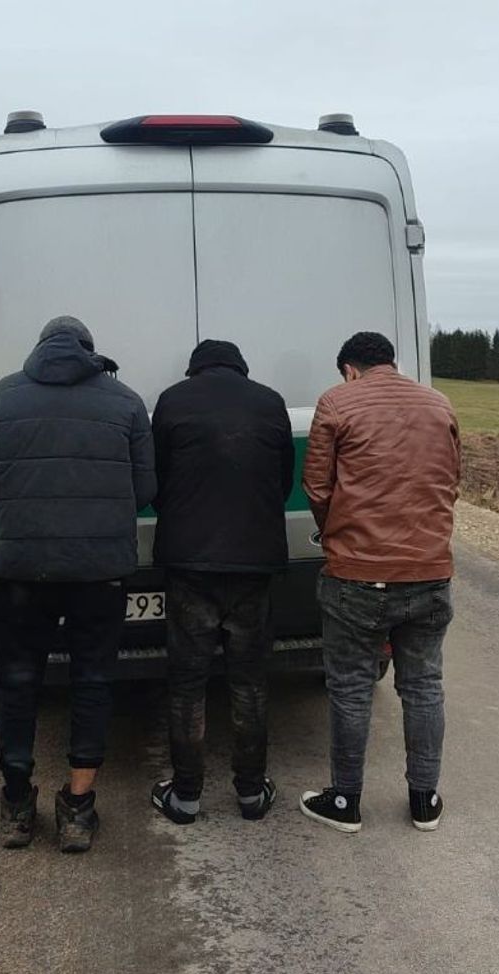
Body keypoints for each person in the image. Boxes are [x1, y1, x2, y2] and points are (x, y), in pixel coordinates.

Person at [0, 315, 155, 853]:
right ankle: (77, 809)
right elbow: (145, 490)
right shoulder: (126, 401)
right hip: (98, 571)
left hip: (21, 570)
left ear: (40, 349)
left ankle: (16, 806)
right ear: (90, 352)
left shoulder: (3, 397)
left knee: (17, 682)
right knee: (93, 681)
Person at [299, 331, 461, 834]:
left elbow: (317, 487)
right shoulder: (439, 403)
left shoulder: (337, 402)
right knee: (424, 686)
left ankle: (345, 802)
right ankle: (425, 800)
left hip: (358, 576)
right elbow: (452, 481)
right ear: (390, 362)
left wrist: (336, 535)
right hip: (429, 571)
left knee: (350, 688)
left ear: (350, 369)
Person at [147, 339, 293, 824]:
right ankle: (251, 793)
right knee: (249, 681)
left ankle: (185, 796)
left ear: (195, 369)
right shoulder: (270, 401)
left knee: (187, 684)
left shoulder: (172, 401)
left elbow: (157, 481)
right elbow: (283, 481)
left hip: (190, 564)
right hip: (253, 563)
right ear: (241, 368)